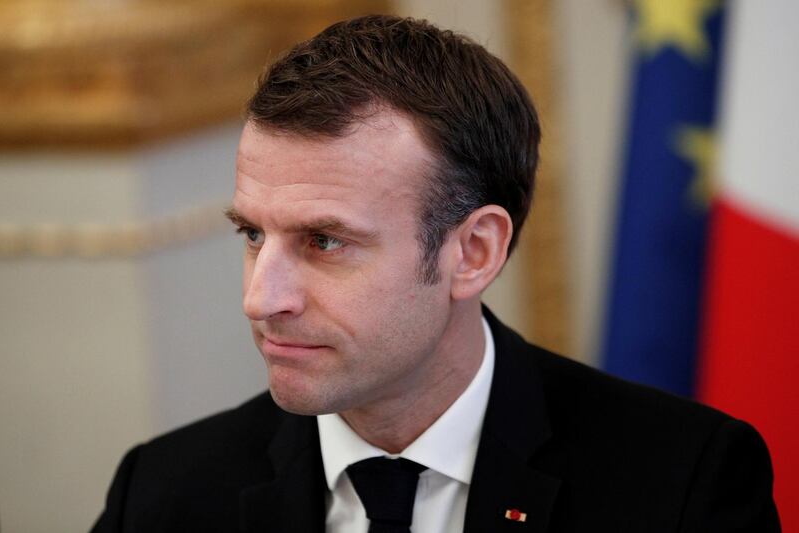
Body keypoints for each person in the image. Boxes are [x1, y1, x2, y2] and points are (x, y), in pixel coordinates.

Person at [91, 15, 779, 533]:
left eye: (325, 241)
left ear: (473, 251)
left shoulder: (682, 483)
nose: (260, 297)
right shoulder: (161, 495)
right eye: (252, 234)